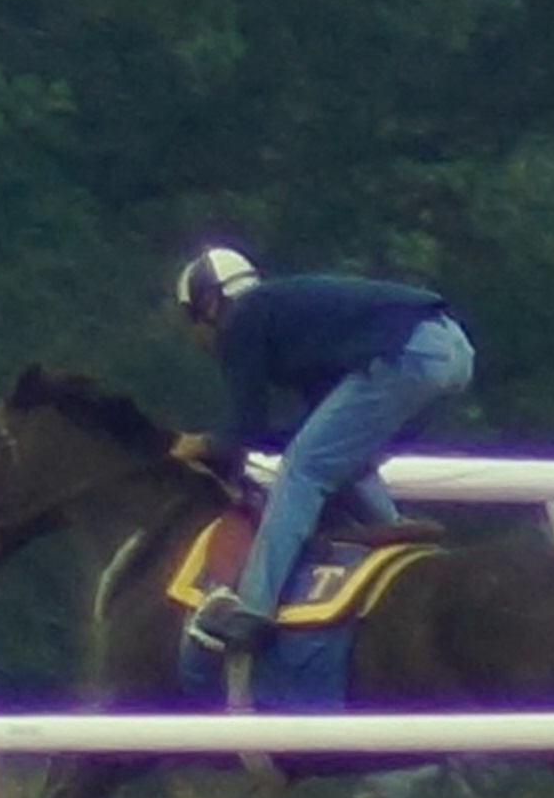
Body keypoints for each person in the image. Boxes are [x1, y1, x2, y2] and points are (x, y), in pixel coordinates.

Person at [169, 244, 477, 656]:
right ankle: (394, 532)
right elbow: (300, 428)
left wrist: (192, 445)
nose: (196, 338)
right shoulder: (286, 320)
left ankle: (253, 610)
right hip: (453, 348)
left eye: (192, 321)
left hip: (408, 353)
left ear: (209, 304)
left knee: (302, 471)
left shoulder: (242, 319)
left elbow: (242, 428)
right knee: (336, 460)